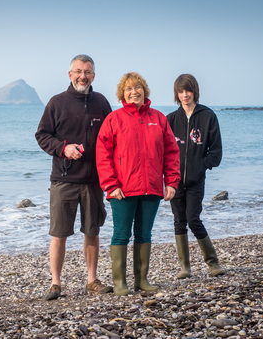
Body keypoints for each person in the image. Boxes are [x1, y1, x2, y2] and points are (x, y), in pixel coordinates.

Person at [35, 54, 113, 300]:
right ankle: (56, 284)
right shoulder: (57, 102)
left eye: (87, 72)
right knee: (59, 233)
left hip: (93, 181)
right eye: (78, 71)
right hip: (63, 179)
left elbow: (113, 138)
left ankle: (92, 281)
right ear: (70, 75)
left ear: (93, 75)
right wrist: (63, 148)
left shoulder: (101, 102)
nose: (83, 76)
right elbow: (42, 135)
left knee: (92, 231)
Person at [96, 72, 180, 295]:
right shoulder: (114, 119)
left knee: (144, 235)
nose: (134, 92)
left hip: (151, 189)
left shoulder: (159, 118)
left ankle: (141, 280)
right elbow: (102, 154)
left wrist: (171, 182)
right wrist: (111, 185)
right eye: (128, 89)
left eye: (138, 87)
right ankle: (120, 283)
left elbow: (172, 151)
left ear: (145, 91)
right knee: (121, 234)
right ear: (122, 94)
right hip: (122, 190)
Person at [166, 74, 225, 278]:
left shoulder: (208, 116)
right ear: (176, 94)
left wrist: (201, 166)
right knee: (178, 220)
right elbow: (162, 150)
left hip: (196, 181)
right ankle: (185, 268)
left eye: (188, 91)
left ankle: (212, 262)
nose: (185, 95)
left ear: (195, 91)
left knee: (193, 219)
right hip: (174, 182)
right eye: (181, 91)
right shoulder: (171, 119)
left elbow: (216, 152)